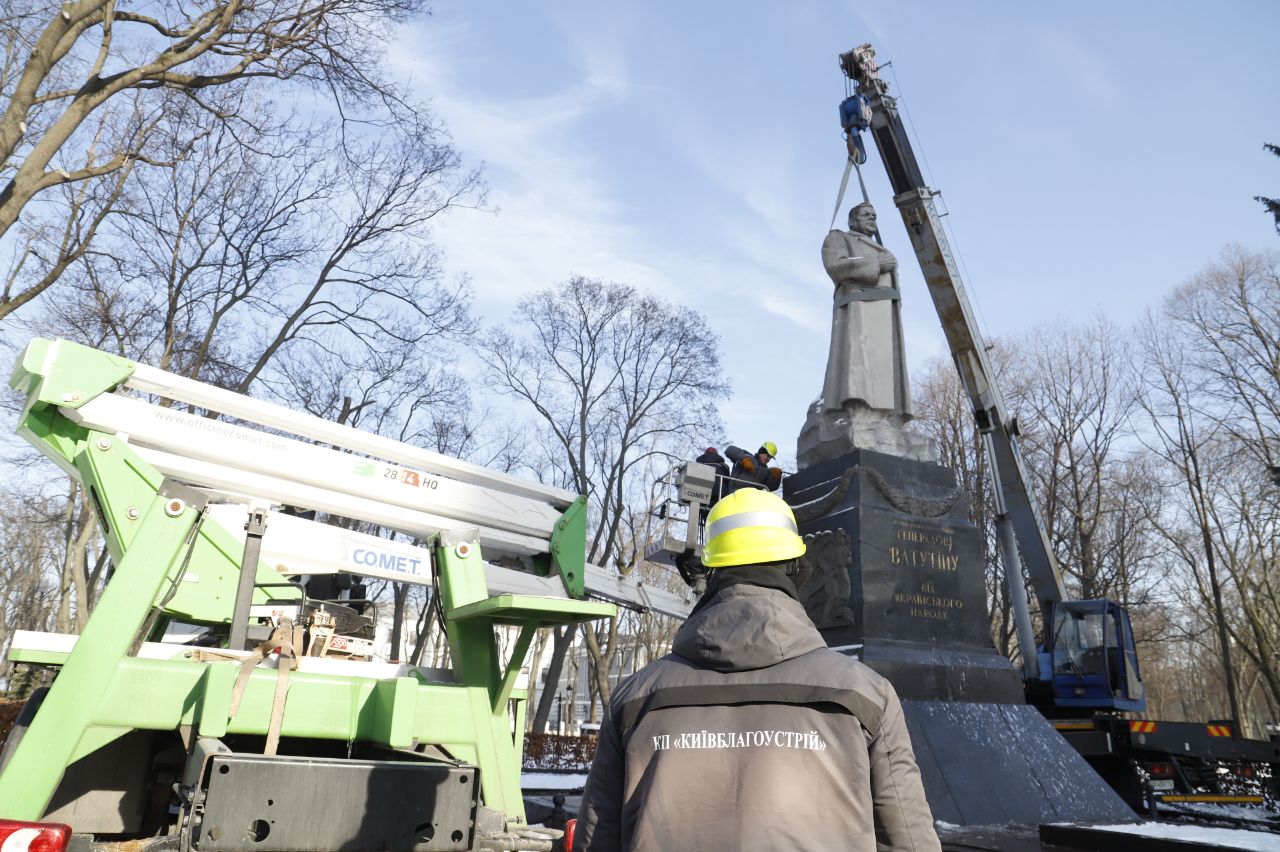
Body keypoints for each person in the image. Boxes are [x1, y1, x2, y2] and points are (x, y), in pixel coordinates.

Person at [574, 490, 940, 852]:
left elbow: (597, 838)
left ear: (712, 570)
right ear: (795, 568)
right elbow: (909, 839)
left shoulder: (636, 699)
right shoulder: (866, 695)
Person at [820, 202, 911, 416]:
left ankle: (886, 414)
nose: (872, 219)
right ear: (852, 220)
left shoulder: (880, 247)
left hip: (884, 314)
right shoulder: (839, 237)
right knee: (857, 360)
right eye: (866, 215)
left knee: (884, 365)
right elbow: (835, 265)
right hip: (859, 308)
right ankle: (857, 408)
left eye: (874, 216)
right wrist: (875, 264)